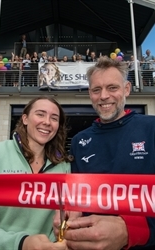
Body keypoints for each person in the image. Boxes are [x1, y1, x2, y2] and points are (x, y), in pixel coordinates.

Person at [53, 57, 155, 249]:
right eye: (96, 90)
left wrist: (131, 230)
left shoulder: (151, 128)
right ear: (89, 93)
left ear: (126, 89)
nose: (104, 96)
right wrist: (70, 212)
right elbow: (77, 196)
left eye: (112, 88)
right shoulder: (79, 141)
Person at [0, 96, 72, 250]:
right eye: (40, 114)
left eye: (54, 118)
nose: (47, 121)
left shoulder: (64, 165)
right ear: (25, 119)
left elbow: (66, 217)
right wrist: (21, 244)